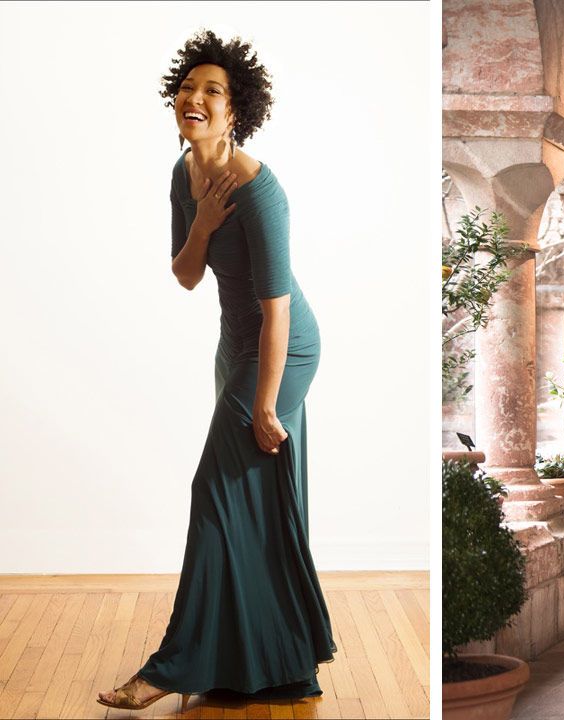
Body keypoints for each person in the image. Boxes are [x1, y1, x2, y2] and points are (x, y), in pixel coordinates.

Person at [99, 31, 335, 711]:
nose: (195, 98)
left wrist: (264, 404)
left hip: (283, 349)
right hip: (234, 348)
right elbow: (185, 274)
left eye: (213, 91)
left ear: (236, 111)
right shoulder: (185, 172)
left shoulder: (261, 192)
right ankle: (267, 663)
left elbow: (278, 309)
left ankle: (169, 668)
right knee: (252, 499)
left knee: (213, 488)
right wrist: (200, 223)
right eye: (188, 87)